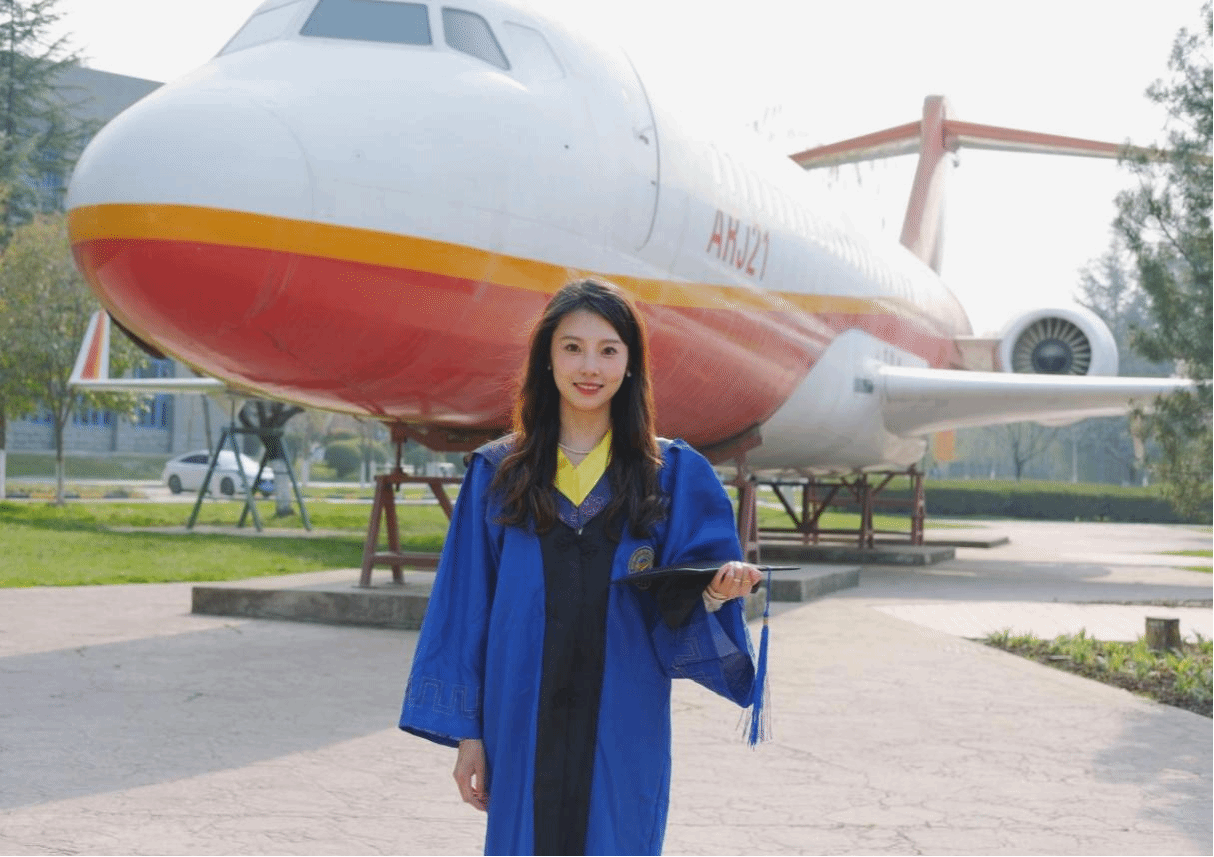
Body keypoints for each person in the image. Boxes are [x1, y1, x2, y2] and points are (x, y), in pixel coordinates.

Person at [399, 278, 762, 856]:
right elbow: (465, 609)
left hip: (624, 715)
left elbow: (681, 600)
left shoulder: (669, 474)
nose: (590, 366)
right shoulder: (500, 473)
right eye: (572, 347)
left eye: (608, 349)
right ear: (546, 358)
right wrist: (469, 736)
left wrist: (716, 594)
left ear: (630, 363)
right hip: (520, 714)